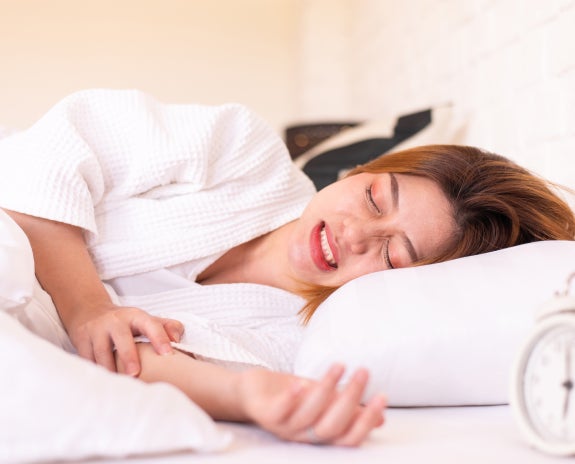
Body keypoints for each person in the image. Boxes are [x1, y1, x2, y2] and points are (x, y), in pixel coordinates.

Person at [0, 89, 573, 446]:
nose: (355, 234)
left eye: (393, 255)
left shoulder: (297, 335)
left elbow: (148, 362)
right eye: (375, 197)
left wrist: (250, 397)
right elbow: (53, 158)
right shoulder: (244, 149)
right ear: (362, 169)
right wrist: (88, 306)